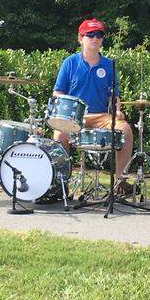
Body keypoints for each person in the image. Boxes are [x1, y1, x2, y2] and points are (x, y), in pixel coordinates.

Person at [51, 19, 134, 193]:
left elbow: (114, 96)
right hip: (74, 117)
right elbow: (57, 93)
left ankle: (120, 181)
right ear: (80, 38)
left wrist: (118, 111)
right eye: (90, 35)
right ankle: (60, 184)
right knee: (59, 135)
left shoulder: (109, 65)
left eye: (99, 35)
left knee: (125, 131)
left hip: (101, 117)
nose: (95, 39)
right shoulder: (69, 63)